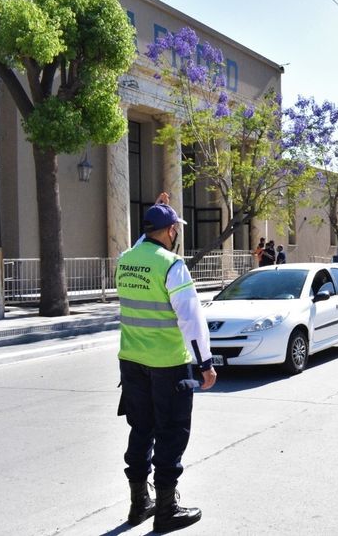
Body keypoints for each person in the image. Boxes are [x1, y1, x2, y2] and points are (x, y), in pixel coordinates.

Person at [116, 203, 216, 532]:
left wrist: (161, 210)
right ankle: (166, 509)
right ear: (172, 231)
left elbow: (139, 247)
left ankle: (138, 504)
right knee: (171, 433)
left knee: (141, 430)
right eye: (176, 229)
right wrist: (205, 363)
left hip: (131, 362)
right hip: (169, 365)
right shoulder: (172, 266)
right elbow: (191, 318)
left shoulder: (125, 260)